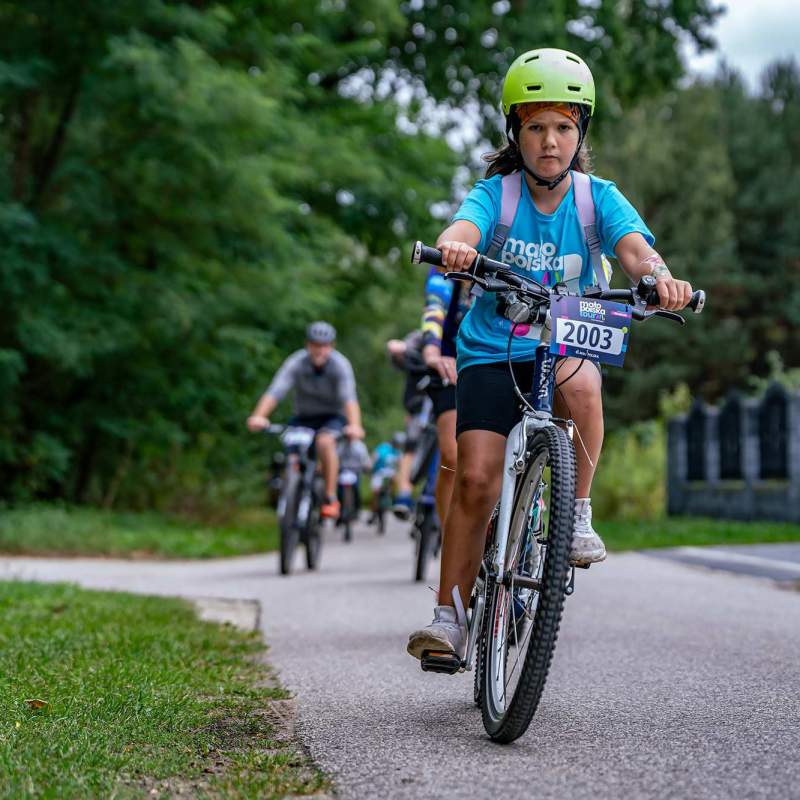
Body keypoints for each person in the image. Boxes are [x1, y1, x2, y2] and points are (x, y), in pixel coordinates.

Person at [407, 48, 693, 660]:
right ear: (515, 131)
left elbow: (637, 252)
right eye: (536, 126)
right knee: (475, 479)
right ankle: (449, 618)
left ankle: (577, 513)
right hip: (492, 347)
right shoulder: (497, 194)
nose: (549, 140)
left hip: (567, 338)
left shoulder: (596, 198)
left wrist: (661, 277)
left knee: (583, 387)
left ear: (580, 131)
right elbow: (462, 229)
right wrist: (454, 248)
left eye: (563, 126)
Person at [247, 321, 365, 519]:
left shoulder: (340, 365)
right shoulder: (296, 362)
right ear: (307, 345)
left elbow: (349, 399)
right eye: (315, 345)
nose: (319, 350)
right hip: (303, 417)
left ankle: (329, 497)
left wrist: (355, 425)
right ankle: (291, 491)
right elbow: (276, 391)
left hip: (332, 417)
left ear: (331, 346)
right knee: (292, 451)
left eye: (324, 345)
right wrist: (259, 416)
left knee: (325, 442)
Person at [420, 266, 471, 531]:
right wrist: (431, 351)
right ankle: (450, 539)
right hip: (450, 365)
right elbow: (434, 307)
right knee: (452, 457)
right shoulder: (446, 264)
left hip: (500, 360)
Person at [385, 331, 427, 519]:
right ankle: (404, 495)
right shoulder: (421, 336)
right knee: (410, 447)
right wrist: (399, 350)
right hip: (419, 406)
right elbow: (401, 353)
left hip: (451, 403)